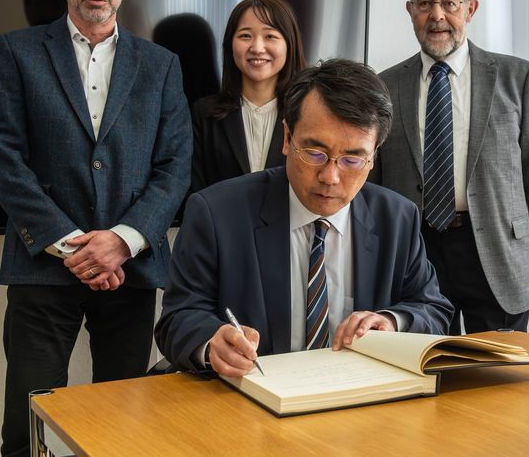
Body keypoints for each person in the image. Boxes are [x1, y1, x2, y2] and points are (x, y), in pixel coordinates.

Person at [0, 0, 191, 456]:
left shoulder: (162, 65)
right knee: (28, 417)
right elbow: (4, 160)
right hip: (41, 267)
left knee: (123, 420)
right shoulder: (14, 53)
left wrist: (123, 240)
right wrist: (74, 245)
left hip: (130, 271)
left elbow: (175, 166)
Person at [155, 59, 453, 376]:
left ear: (374, 154)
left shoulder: (397, 217)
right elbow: (178, 318)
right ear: (286, 138)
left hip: (359, 400)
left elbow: (433, 310)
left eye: (352, 159)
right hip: (251, 403)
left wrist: (394, 321)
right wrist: (212, 343)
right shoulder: (217, 212)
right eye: (314, 153)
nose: (330, 176)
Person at [374, 0, 529, 335]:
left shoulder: (518, 77)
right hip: (416, 252)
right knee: (425, 373)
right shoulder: (384, 85)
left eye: (450, 2)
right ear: (410, 11)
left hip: (496, 252)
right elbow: (372, 186)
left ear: (470, 9)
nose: (437, 15)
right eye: (424, 3)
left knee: (497, 380)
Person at [190, 0, 306, 193]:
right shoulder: (204, 114)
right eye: (245, 36)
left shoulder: (307, 113)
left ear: (289, 44)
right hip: (222, 223)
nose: (257, 48)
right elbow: (198, 193)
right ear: (230, 44)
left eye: (270, 36)